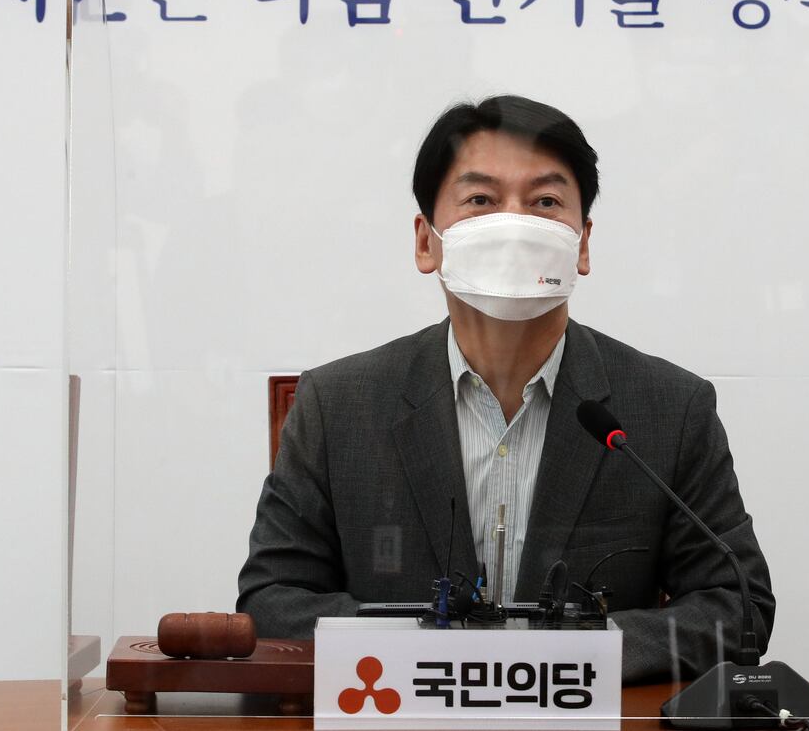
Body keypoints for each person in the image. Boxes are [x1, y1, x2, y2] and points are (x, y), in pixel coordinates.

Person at [237, 95, 774, 682]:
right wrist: (433, 658)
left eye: (545, 202)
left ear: (582, 243)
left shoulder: (670, 409)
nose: (514, 226)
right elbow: (273, 600)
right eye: (481, 201)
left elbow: (736, 604)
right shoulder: (336, 406)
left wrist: (570, 657)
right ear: (426, 242)